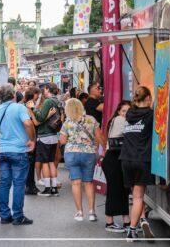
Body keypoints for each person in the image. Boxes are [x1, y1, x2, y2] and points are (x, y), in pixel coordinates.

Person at [0, 84, 36, 225]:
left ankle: (4, 216)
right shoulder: (19, 108)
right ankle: (18, 216)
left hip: (3, 151)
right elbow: (28, 124)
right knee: (18, 184)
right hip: (18, 151)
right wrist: (32, 140)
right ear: (13, 95)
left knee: (4, 183)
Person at [59, 98, 104, 221]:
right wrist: (104, 149)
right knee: (88, 183)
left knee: (76, 182)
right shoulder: (91, 119)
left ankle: (79, 212)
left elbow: (62, 140)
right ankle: (92, 212)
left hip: (72, 154)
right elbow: (99, 136)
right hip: (88, 153)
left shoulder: (67, 122)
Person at [119, 86, 155, 240]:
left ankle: (141, 219)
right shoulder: (151, 115)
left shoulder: (129, 114)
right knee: (139, 196)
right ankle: (132, 229)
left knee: (135, 195)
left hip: (126, 159)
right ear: (147, 98)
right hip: (141, 159)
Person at [102, 101, 131, 233]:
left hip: (115, 159)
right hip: (114, 159)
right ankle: (109, 223)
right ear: (119, 112)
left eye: (128, 111)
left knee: (122, 190)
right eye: (124, 111)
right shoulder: (120, 120)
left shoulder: (116, 120)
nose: (126, 113)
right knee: (115, 191)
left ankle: (126, 221)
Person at [24, 87, 56, 195]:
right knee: (35, 162)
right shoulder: (29, 105)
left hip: (34, 136)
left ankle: (31, 185)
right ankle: (30, 186)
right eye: (37, 94)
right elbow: (37, 122)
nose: (39, 96)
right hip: (32, 137)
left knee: (34, 162)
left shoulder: (31, 104)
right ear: (33, 94)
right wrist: (49, 115)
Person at [33, 83, 62, 197]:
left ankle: (47, 188)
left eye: (44, 89)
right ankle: (54, 188)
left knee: (45, 162)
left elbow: (40, 117)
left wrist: (33, 109)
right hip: (54, 134)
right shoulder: (58, 101)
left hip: (45, 134)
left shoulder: (48, 101)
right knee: (51, 162)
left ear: (47, 89)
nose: (43, 92)